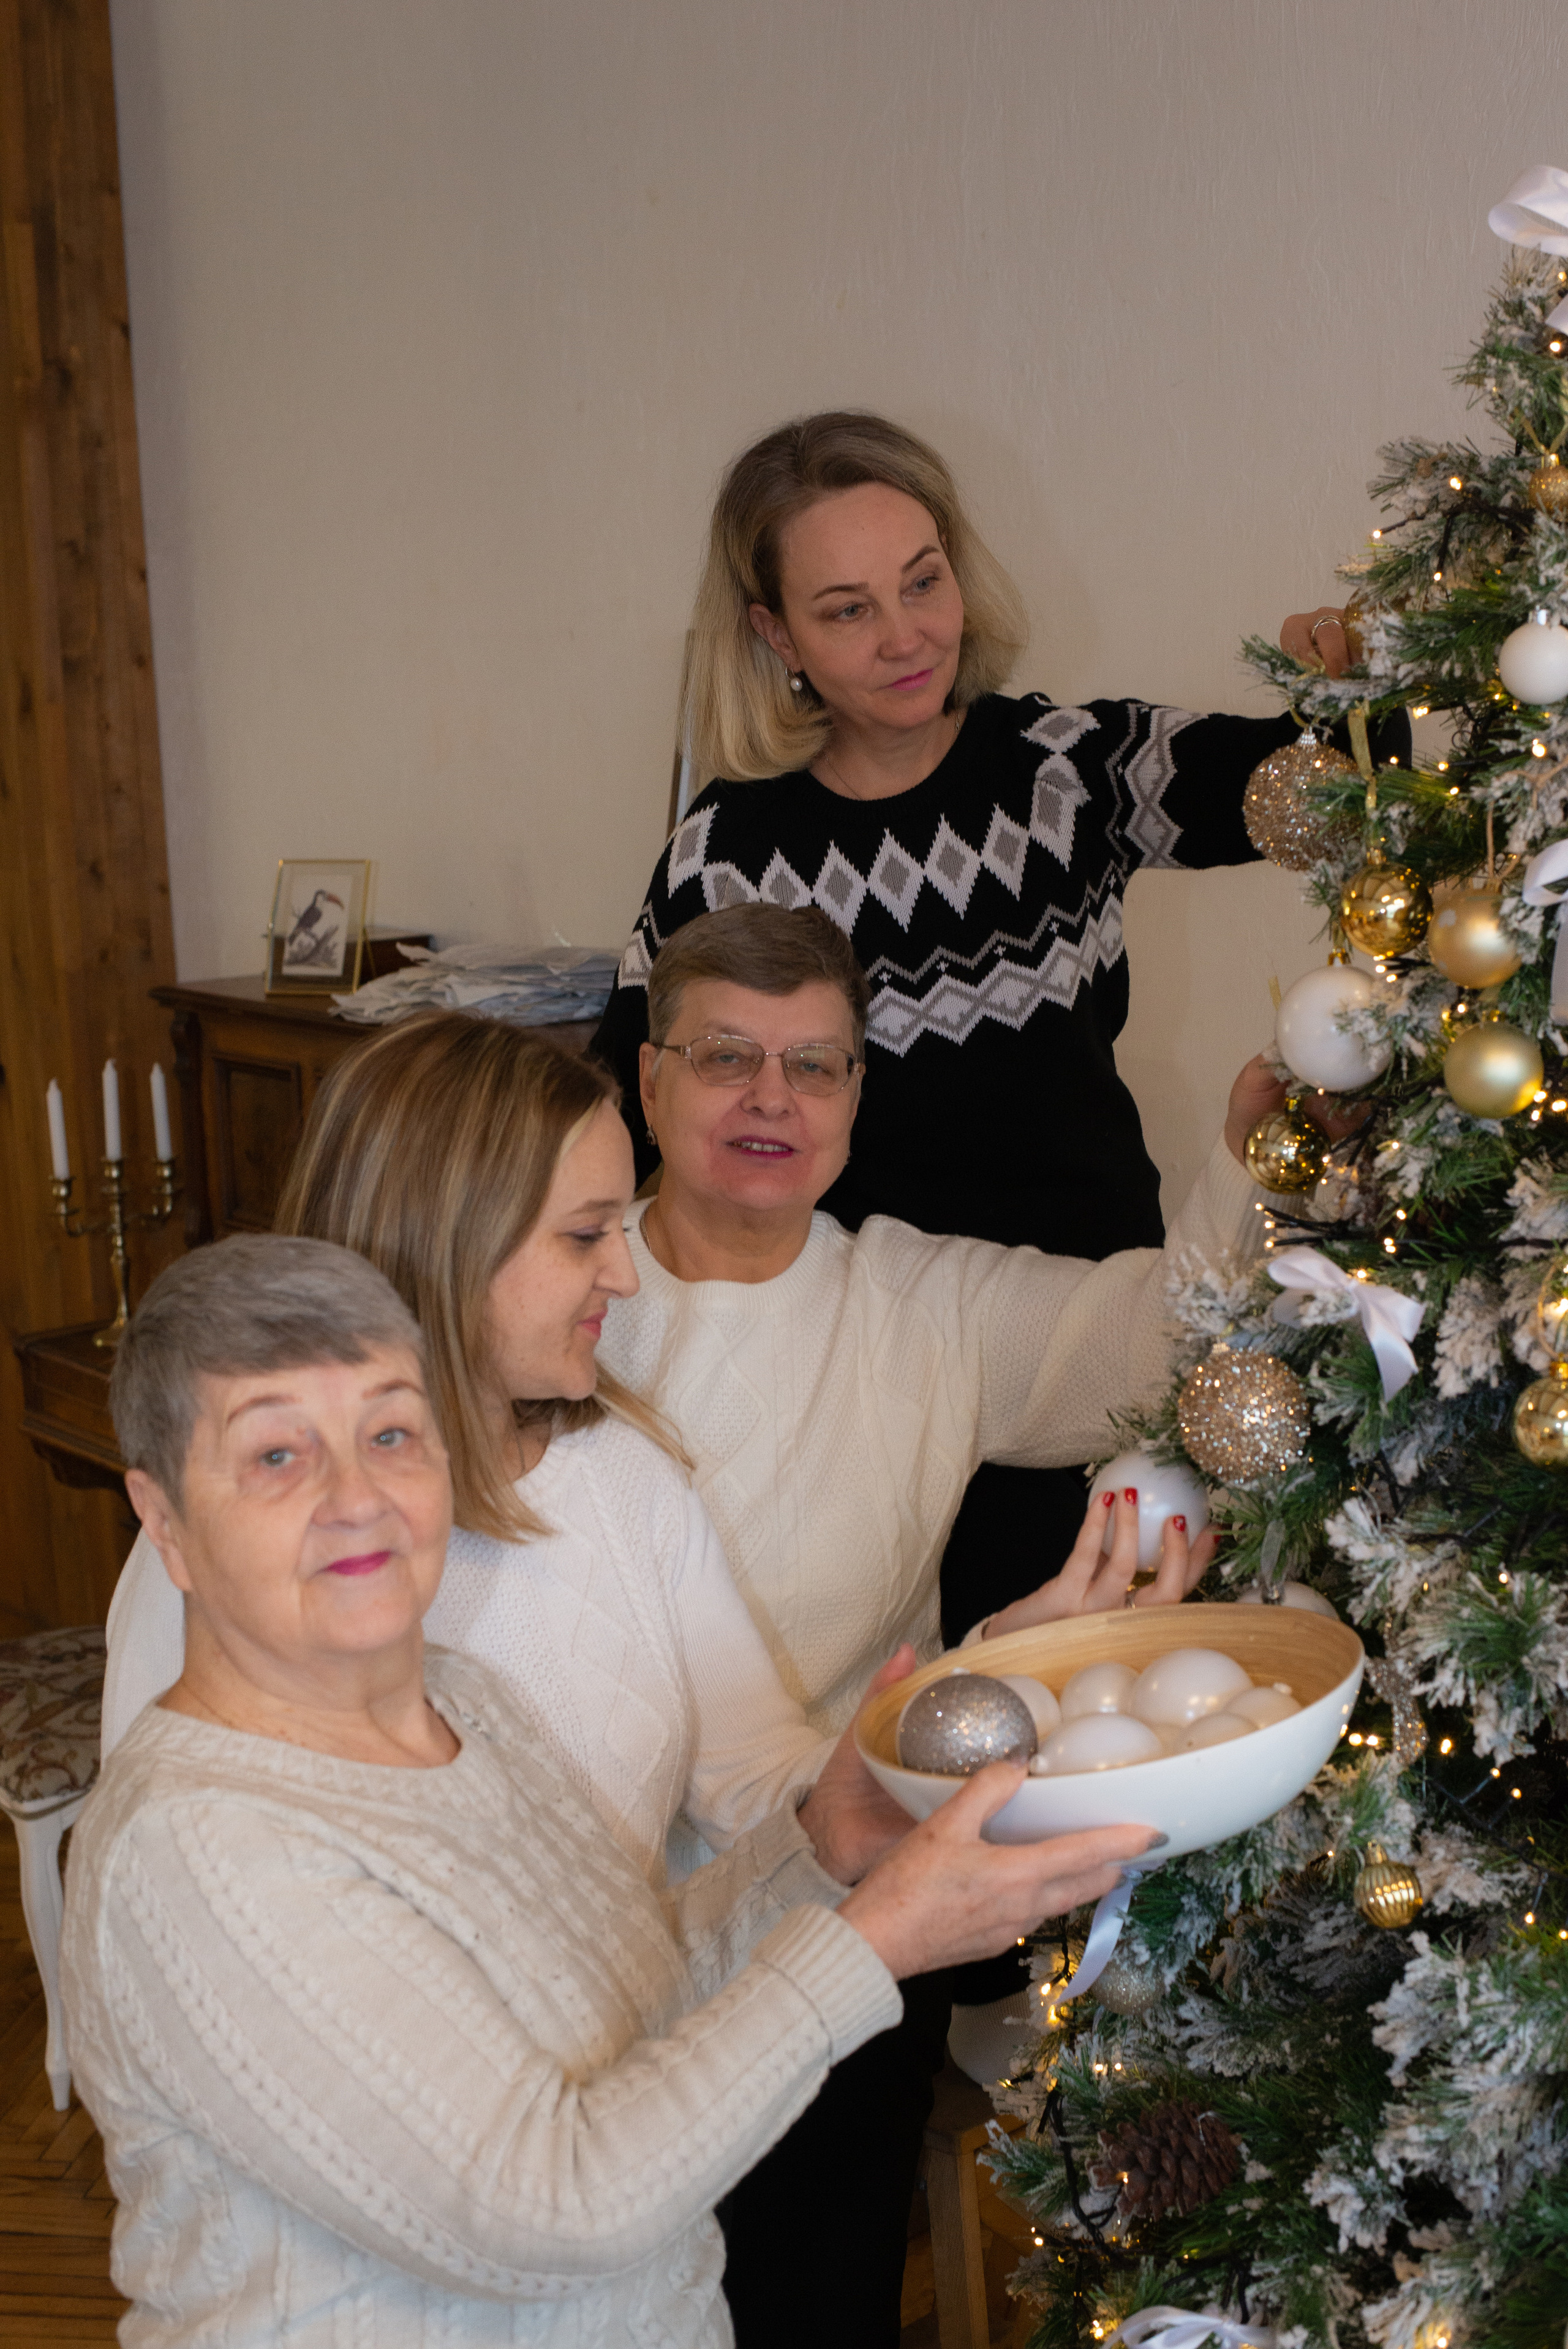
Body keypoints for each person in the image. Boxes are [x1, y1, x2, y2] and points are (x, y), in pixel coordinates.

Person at [64, 1234, 1157, 2346]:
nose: (359, 1497)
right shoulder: (202, 1846)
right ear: (165, 1521)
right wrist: (871, 1942)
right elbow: (553, 2203)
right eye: (277, 1457)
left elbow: (625, 2001)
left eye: (391, 1430)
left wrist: (821, 1848)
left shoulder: (466, 1700)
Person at [590, 407, 1408, 1647]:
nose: (906, 635)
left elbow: (1324, 793)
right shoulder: (726, 846)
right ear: (777, 636)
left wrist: (1346, 689)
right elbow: (618, 1105)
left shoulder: (1061, 769)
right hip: (866, 1367)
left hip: (1094, 1327)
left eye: (923, 583)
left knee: (1111, 1665)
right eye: (846, 607)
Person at [593, 895, 1291, 2348]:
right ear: (650, 1081)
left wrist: (1245, 1152)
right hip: (595, 1912)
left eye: (817, 1065)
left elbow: (1157, 1333)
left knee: (809, 2289)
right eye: (726, 1058)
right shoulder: (556, 1292)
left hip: (847, 1896)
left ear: (857, 1092)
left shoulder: (916, 1299)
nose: (772, 1100)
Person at [101, 1013, 1184, 1894]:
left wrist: (992, 1675)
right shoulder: (224, 1555)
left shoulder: (622, 1474)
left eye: (622, 1226)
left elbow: (769, 1789)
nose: (624, 1277)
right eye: (585, 1233)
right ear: (445, 1238)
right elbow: (172, 1913)